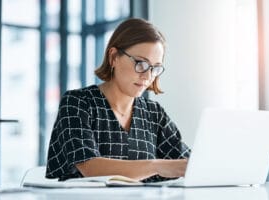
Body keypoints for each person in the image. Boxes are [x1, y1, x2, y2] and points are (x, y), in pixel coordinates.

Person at [45, 18, 191, 182]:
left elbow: (188, 163)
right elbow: (90, 167)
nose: (147, 76)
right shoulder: (77, 103)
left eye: (155, 68)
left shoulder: (153, 113)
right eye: (141, 63)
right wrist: (157, 166)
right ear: (113, 57)